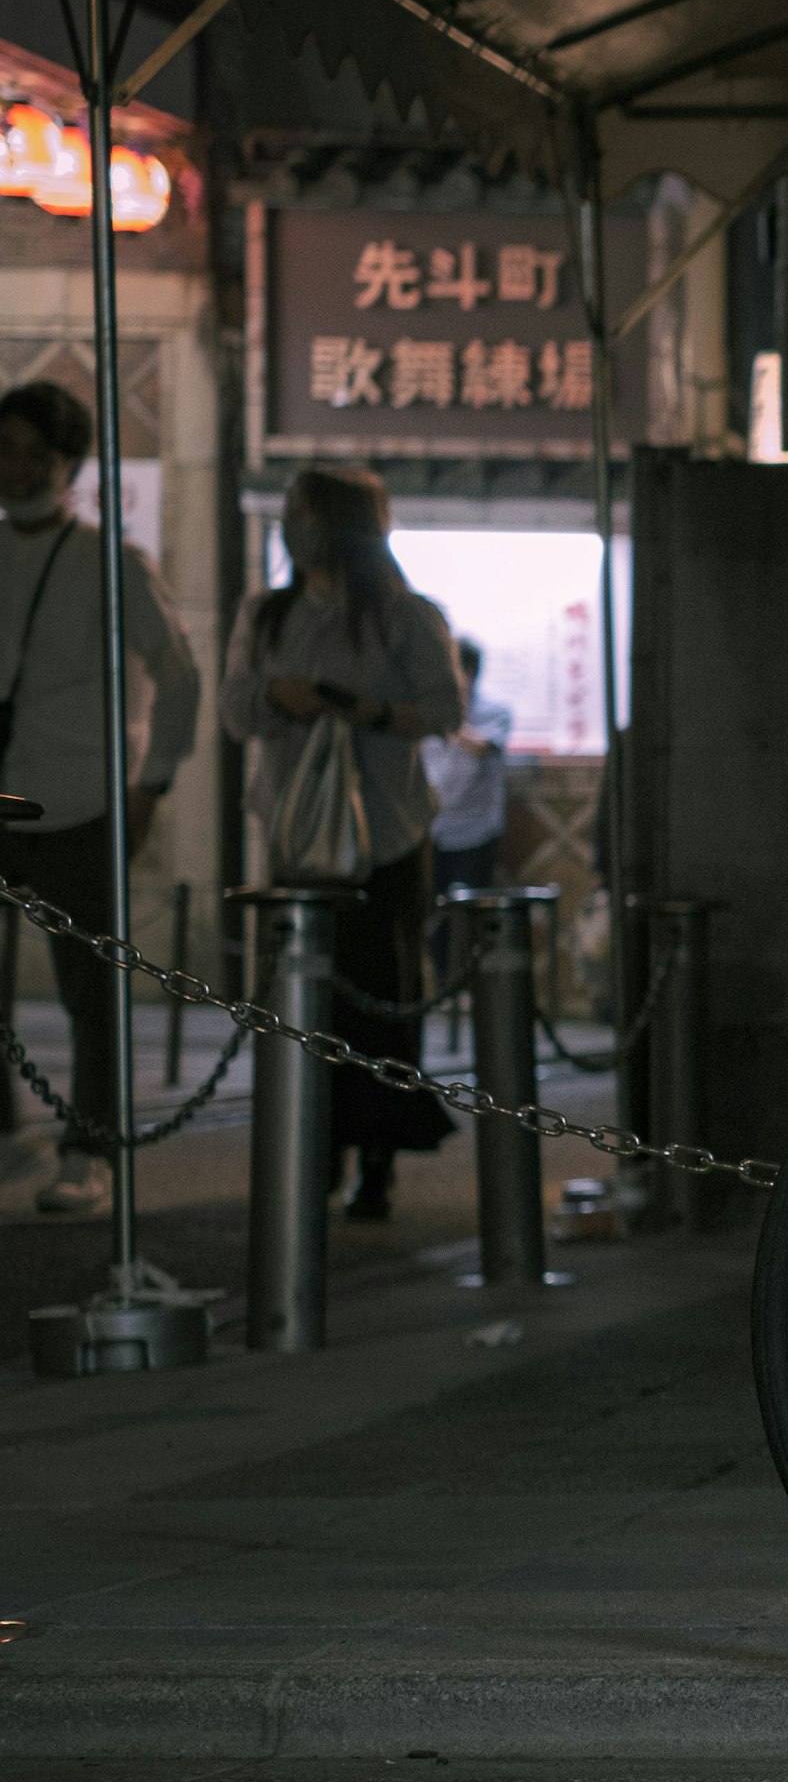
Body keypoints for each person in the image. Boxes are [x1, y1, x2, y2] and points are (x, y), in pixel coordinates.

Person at [220, 465, 467, 1222]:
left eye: (303, 511)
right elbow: (236, 714)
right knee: (303, 1003)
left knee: (380, 1002)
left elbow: (443, 709)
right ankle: (314, 1151)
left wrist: (359, 709)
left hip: (386, 839)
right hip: (297, 842)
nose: (294, 525)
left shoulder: (405, 614)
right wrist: (274, 697)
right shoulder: (267, 614)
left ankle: (378, 1163)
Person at [0, 377, 199, 1216]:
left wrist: (151, 784)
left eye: (26, 451)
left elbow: (181, 674)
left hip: (84, 797)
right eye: (3, 448)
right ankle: (14, 1129)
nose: (10, 466)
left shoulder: (113, 562)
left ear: (65, 461)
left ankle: (90, 1150)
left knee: (91, 989)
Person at [419, 635, 510, 984]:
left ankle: (474, 985)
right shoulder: (431, 711)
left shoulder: (494, 712)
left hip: (476, 832)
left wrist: (445, 722)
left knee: (472, 913)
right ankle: (445, 985)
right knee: (436, 916)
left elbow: (482, 746)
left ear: (470, 673)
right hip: (433, 830)